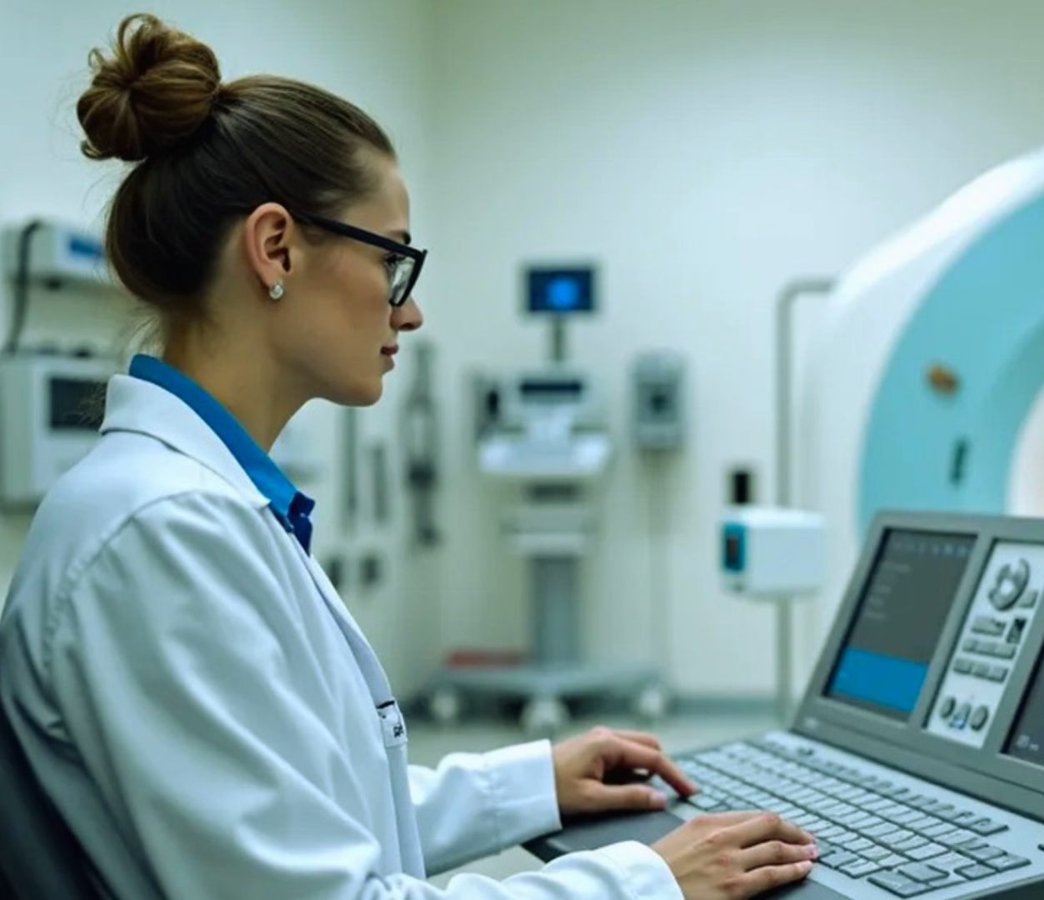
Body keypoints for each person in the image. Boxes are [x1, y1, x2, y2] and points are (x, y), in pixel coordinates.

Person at [0, 14, 816, 900]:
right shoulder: (163, 533)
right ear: (275, 248)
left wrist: (528, 784)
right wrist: (649, 880)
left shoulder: (187, 508)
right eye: (394, 262)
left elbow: (307, 811)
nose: (410, 312)